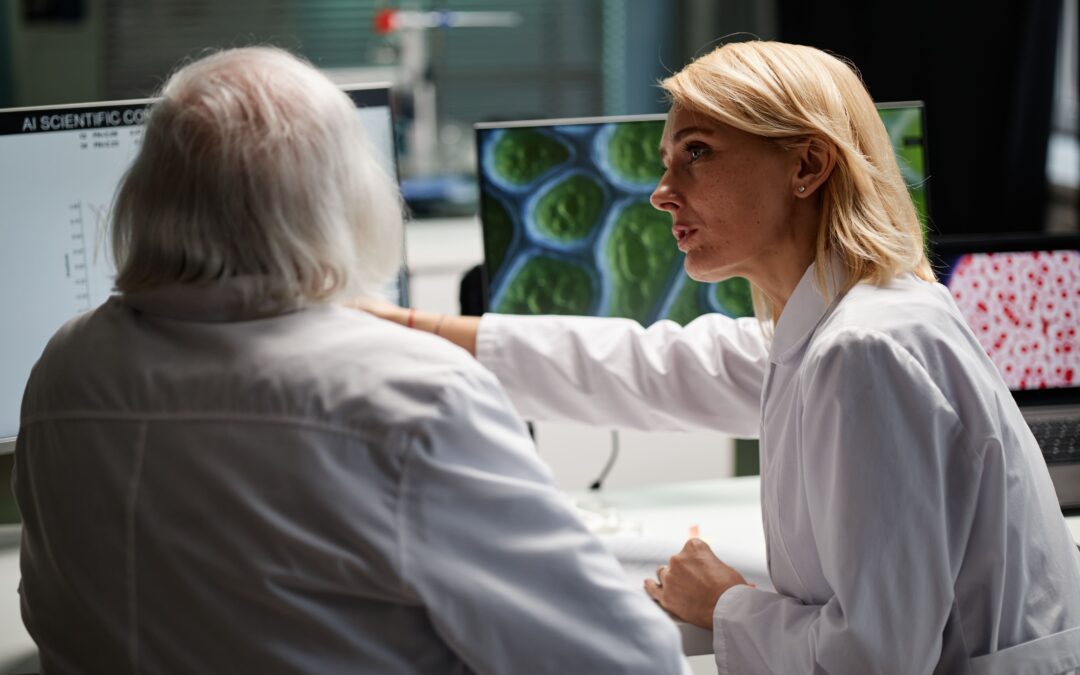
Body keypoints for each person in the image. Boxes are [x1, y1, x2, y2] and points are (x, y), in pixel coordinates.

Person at [360, 41, 1080, 673]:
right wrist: (404, 324)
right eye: (667, 159)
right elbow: (637, 365)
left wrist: (726, 602)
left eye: (697, 153)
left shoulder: (865, 349)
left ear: (807, 164)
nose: (660, 193)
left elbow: (875, 663)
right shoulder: (845, 321)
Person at [12, 47, 691, 673]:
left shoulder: (64, 364)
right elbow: (627, 659)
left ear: (148, 191)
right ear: (342, 197)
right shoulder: (414, 394)